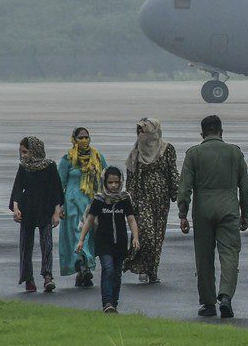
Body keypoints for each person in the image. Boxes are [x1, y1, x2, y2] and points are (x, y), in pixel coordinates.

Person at [178, 115, 248, 319]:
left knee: (204, 257)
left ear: (202, 134)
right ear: (221, 132)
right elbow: (244, 186)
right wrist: (245, 213)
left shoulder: (193, 154)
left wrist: (183, 214)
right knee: (229, 254)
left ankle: (208, 303)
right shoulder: (235, 153)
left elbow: (184, 188)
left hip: (202, 211)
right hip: (228, 209)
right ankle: (225, 296)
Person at [76, 167, 139, 313]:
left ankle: (114, 302)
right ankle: (107, 302)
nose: (114, 185)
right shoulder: (99, 199)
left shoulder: (124, 199)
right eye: (110, 182)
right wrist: (81, 239)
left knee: (117, 273)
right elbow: (90, 219)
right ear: (105, 182)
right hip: (104, 242)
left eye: (116, 182)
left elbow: (131, 219)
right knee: (108, 269)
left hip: (120, 242)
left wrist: (135, 237)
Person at [124, 118, 179, 284]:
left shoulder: (167, 149)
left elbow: (172, 172)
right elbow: (131, 178)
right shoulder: (135, 152)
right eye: (139, 131)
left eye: (144, 131)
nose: (141, 134)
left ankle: (152, 270)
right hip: (141, 197)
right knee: (146, 233)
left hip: (161, 199)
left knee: (157, 236)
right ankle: (141, 266)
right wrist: (129, 202)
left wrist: (178, 194)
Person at [9, 136, 63, 293]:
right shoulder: (24, 167)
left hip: (45, 209)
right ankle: (28, 278)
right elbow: (18, 189)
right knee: (26, 246)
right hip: (28, 210)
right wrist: (16, 208)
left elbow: (56, 190)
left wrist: (56, 212)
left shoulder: (50, 166)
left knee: (47, 244)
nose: (23, 155)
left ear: (34, 151)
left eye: (25, 152)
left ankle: (47, 276)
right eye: (21, 152)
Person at [57, 127, 107, 287]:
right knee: (78, 234)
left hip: (92, 202)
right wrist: (59, 206)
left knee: (90, 235)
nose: (84, 140)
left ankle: (82, 269)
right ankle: (83, 266)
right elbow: (59, 184)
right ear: (74, 139)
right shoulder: (68, 159)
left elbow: (106, 178)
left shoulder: (98, 157)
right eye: (80, 137)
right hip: (72, 202)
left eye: (86, 137)